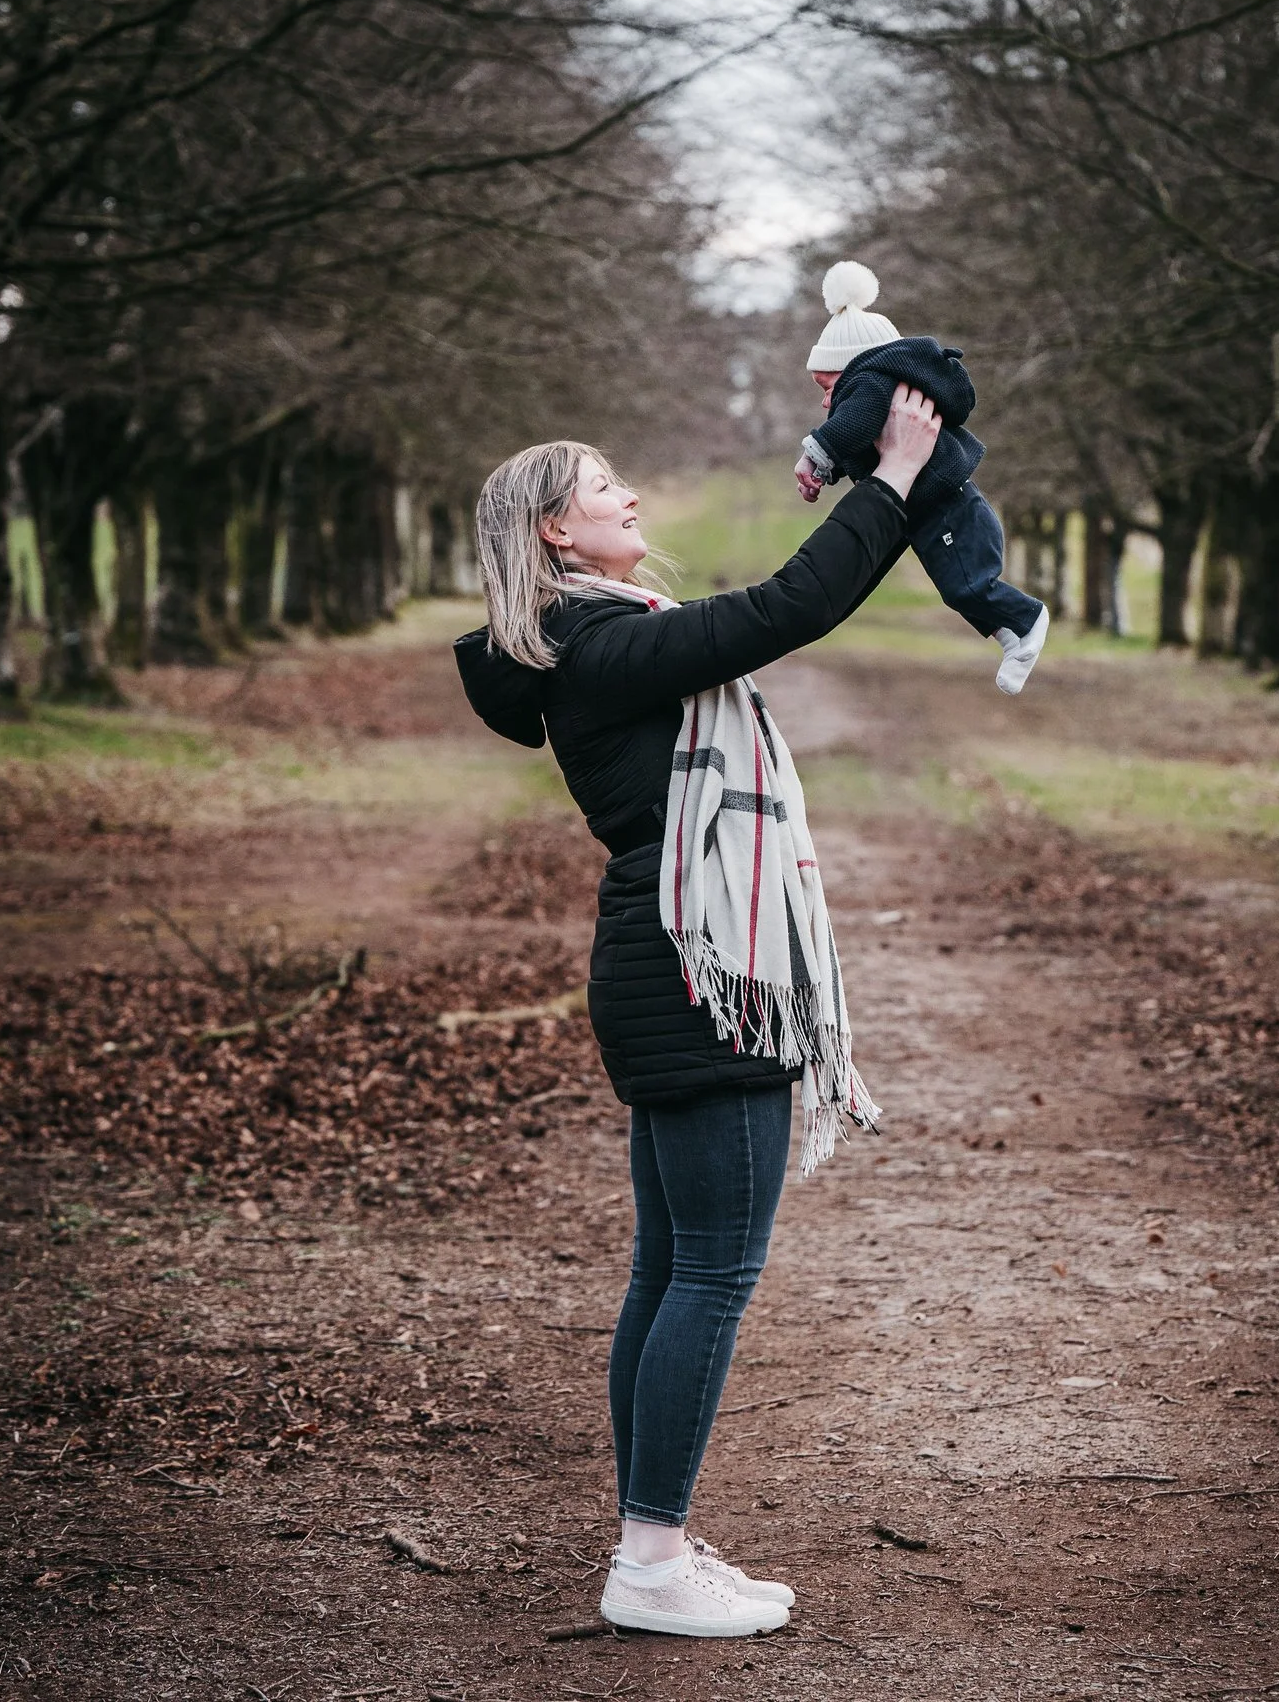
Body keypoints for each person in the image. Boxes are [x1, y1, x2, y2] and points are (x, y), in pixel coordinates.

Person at [452, 389, 942, 1638]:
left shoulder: (599, 636)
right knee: (709, 1275)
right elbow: (787, 607)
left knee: (671, 1270)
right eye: (601, 485)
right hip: (696, 969)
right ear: (555, 532)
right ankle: (650, 1560)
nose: (628, 496)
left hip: (667, 965)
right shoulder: (600, 646)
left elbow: (769, 612)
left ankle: (652, 1540)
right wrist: (890, 479)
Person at [793, 261, 1050, 693]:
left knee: (967, 586)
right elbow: (860, 439)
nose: (825, 402)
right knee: (957, 588)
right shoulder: (878, 392)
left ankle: (1027, 619)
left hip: (949, 507)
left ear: (852, 367)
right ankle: (1012, 637)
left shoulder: (871, 381)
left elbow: (851, 425)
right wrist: (828, 468)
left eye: (826, 387)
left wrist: (813, 454)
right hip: (933, 511)